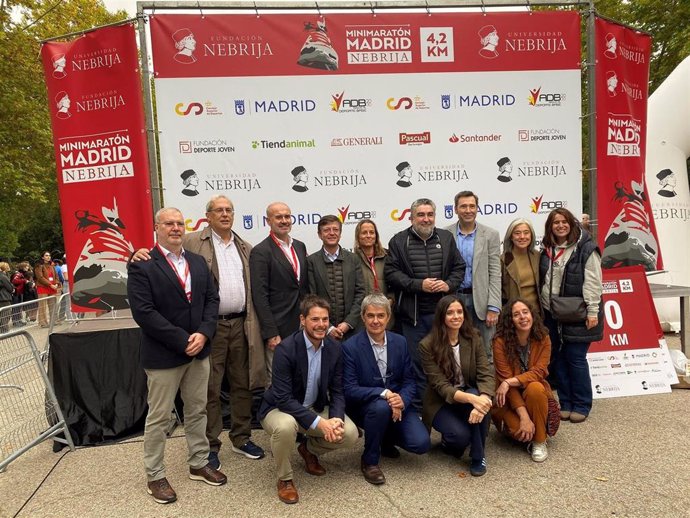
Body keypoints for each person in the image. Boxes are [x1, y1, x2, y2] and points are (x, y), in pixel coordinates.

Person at [132, 195, 267, 468]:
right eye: (219, 210)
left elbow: (221, 293)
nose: (225, 214)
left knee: (242, 385)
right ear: (208, 215)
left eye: (229, 209)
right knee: (210, 390)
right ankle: (210, 445)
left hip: (242, 325)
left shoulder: (245, 246)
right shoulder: (193, 240)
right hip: (210, 329)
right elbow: (160, 258)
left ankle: (241, 438)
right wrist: (135, 254)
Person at [127, 207, 226, 504]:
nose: (175, 228)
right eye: (168, 223)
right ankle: (155, 475)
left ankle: (198, 462)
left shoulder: (197, 262)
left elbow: (212, 299)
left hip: (199, 351)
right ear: (156, 228)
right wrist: (183, 340)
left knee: (197, 410)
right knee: (159, 418)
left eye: (178, 223)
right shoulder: (142, 265)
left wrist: (204, 333)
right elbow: (143, 313)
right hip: (164, 355)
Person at [258, 295, 358, 504]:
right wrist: (320, 423)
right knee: (285, 427)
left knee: (349, 434)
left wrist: (336, 420)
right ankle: (285, 479)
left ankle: (308, 450)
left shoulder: (334, 348)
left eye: (325, 319)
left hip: (314, 407)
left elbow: (338, 391)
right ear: (302, 320)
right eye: (315, 319)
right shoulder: (286, 349)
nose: (321, 325)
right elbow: (283, 398)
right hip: (279, 409)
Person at [384, 198, 465, 411]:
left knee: (446, 360)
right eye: (421, 214)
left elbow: (459, 267)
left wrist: (448, 285)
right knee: (417, 364)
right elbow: (391, 274)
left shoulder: (446, 238)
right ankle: (420, 408)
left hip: (443, 315)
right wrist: (419, 285)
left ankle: (446, 404)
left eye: (430, 214)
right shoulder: (399, 241)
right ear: (411, 217)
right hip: (413, 316)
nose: (426, 219)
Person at [342, 293, 430, 485]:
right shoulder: (350, 347)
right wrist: (384, 394)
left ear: (388, 318)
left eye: (380, 316)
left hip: (397, 403)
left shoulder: (400, 342)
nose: (375, 321)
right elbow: (349, 389)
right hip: (366, 406)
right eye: (371, 316)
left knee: (421, 443)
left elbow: (409, 381)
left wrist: (402, 400)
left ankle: (384, 438)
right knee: (381, 407)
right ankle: (370, 460)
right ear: (363, 317)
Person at [540, 208, 603, 423]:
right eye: (555, 222)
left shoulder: (586, 248)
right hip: (551, 313)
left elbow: (593, 281)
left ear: (572, 224)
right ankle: (565, 402)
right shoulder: (547, 248)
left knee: (575, 358)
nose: (560, 226)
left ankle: (582, 404)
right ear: (550, 227)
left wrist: (593, 310)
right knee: (557, 357)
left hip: (578, 312)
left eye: (564, 222)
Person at [419, 295, 494, 476]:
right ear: (441, 317)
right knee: (459, 439)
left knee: (481, 398)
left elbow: (485, 371)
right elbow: (441, 386)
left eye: (459, 312)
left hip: (469, 394)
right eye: (450, 312)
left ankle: (478, 456)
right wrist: (474, 400)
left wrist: (483, 399)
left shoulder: (473, 337)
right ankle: (450, 441)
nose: (456, 316)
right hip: (440, 402)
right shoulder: (427, 345)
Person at [491, 298, 554, 462]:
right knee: (520, 432)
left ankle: (539, 441)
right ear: (509, 320)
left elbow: (539, 372)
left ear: (532, 315)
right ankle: (532, 424)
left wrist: (510, 381)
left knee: (535, 387)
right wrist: (524, 417)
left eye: (525, 312)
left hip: (534, 393)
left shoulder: (543, 338)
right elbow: (505, 383)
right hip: (507, 399)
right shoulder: (500, 342)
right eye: (516, 314)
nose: (522, 317)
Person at [250, 202, 309, 375]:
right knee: (279, 379)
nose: (284, 221)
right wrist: (271, 332)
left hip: (303, 323)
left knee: (301, 374)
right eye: (278, 217)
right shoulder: (261, 251)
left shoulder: (299, 246)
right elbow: (260, 295)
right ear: (268, 221)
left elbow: (301, 286)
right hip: (279, 326)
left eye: (287, 216)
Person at [445, 191, 501, 361]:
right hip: (454, 299)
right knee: (455, 350)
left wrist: (493, 306)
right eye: (463, 206)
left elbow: (495, 272)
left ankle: (486, 388)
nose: (468, 210)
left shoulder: (490, 235)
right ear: (455, 209)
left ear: (477, 208)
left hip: (482, 303)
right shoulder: (445, 234)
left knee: (486, 352)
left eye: (472, 206)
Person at [307, 215, 365, 341]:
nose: (331, 233)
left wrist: (348, 323)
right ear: (319, 234)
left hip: (352, 330)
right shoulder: (311, 261)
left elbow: (360, 292)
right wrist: (329, 327)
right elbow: (312, 296)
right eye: (327, 230)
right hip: (323, 331)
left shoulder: (354, 259)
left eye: (335, 229)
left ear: (340, 233)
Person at [353, 218, 395, 328]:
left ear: (376, 236)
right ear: (358, 236)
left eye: (372, 232)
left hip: (386, 314)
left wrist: (390, 300)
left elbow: (396, 282)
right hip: (363, 316)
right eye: (364, 233)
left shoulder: (388, 256)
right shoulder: (352, 260)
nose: (368, 235)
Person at [500, 218, 541, 312]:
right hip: (514, 313)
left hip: (536, 313)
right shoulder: (503, 260)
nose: (522, 237)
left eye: (526, 232)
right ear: (511, 236)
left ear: (531, 235)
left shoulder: (538, 256)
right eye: (517, 233)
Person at [34, 251, 61, 328]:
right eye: (46, 255)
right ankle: (43, 323)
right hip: (43, 287)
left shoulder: (52, 266)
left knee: (53, 305)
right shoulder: (39, 266)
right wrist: (50, 284)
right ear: (42, 257)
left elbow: (56, 276)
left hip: (52, 287)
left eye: (49, 255)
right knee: (42, 306)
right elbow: (40, 277)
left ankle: (54, 320)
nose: (48, 257)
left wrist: (56, 283)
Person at [0, 262, 13, 333]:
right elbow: (10, 287)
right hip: (4, 298)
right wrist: (13, 289)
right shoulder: (3, 276)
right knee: (5, 314)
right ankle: (4, 330)